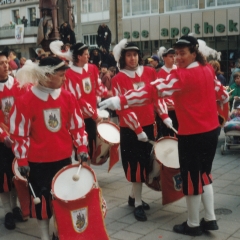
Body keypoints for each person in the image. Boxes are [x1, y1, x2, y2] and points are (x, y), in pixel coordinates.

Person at [99, 35, 229, 236]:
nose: (177, 57)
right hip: (211, 131)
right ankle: (210, 219)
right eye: (175, 53)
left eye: (182, 53)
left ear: (194, 53)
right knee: (205, 174)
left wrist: (120, 101)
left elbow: (152, 91)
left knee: (192, 178)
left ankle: (193, 224)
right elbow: (222, 93)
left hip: (192, 134)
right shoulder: (207, 69)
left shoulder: (182, 76)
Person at [9, 57, 89, 240]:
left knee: (62, 200)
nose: (65, 79)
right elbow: (19, 134)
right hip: (38, 162)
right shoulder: (25, 101)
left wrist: (82, 146)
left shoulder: (67, 97)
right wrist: (22, 159)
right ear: (47, 76)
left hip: (63, 159)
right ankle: (45, 236)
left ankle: (57, 233)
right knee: (42, 202)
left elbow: (77, 125)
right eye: (61, 75)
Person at [108, 39, 172, 222]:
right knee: (136, 166)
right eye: (129, 55)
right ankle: (137, 204)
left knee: (147, 164)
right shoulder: (117, 79)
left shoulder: (151, 72)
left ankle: (133, 197)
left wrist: (164, 116)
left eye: (135, 55)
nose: (133, 58)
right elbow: (122, 107)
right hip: (130, 129)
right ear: (123, 58)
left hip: (148, 125)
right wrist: (137, 129)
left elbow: (157, 97)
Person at [63, 42, 109, 163]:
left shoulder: (92, 68)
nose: (88, 56)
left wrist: (111, 95)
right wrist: (94, 114)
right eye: (86, 54)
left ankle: (87, 172)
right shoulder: (69, 74)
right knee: (80, 147)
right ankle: (83, 174)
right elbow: (77, 100)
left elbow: (98, 87)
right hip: (78, 118)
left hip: (92, 116)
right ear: (79, 56)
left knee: (91, 147)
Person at [0, 51, 27, 230]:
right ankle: (7, 212)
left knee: (17, 175)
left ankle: (17, 207)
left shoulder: (17, 84)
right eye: (1, 63)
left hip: (17, 138)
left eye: (6, 62)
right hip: (2, 141)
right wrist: (3, 136)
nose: (5, 65)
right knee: (3, 180)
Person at [157, 47, 178, 138]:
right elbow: (160, 93)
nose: (173, 58)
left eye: (174, 56)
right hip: (167, 109)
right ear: (164, 58)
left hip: (178, 108)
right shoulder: (160, 73)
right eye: (170, 56)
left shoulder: (178, 69)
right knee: (167, 134)